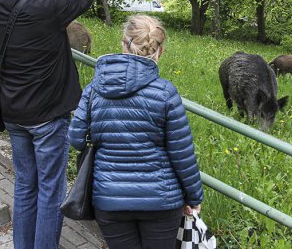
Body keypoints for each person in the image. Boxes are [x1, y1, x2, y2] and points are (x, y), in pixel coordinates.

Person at [0, 0, 94, 248]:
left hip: (14, 112)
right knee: (50, 190)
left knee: (25, 185)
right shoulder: (50, 6)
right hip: (48, 115)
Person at [67, 15, 204, 248]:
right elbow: (182, 154)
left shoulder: (94, 90)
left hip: (109, 198)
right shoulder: (166, 93)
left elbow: (76, 139)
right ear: (160, 52)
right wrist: (193, 196)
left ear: (123, 43)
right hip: (162, 199)